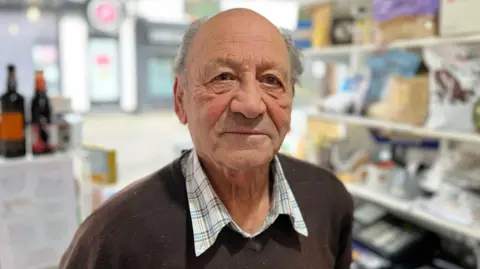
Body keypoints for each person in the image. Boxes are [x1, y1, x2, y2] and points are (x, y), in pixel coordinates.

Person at [60, 8, 353, 269]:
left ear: (290, 100)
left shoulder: (328, 201)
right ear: (180, 100)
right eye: (223, 77)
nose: (251, 105)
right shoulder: (114, 238)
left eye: (271, 80)